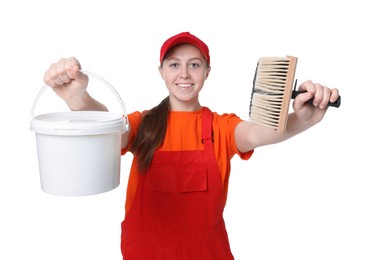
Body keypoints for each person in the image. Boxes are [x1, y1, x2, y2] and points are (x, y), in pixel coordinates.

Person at [43, 32, 340, 260]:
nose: (184, 74)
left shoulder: (221, 128)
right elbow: (105, 129)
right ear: (161, 71)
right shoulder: (142, 124)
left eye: (194, 65)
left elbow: (259, 132)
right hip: (146, 252)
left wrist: (303, 120)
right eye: (174, 65)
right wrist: (77, 98)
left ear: (207, 72)